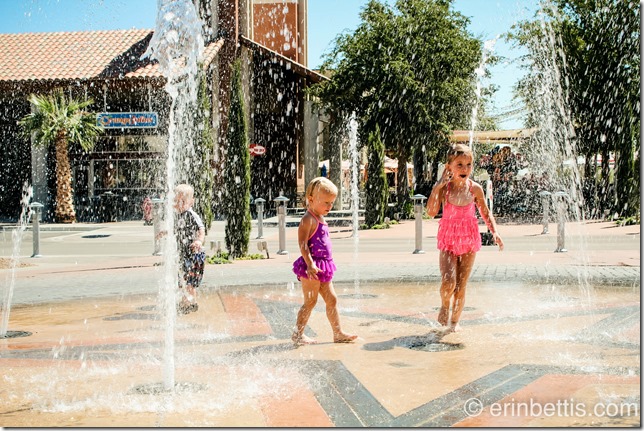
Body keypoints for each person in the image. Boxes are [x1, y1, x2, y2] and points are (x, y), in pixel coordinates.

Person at [426, 144, 504, 332]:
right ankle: (445, 304)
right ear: (449, 167)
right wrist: (437, 187)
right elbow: (431, 212)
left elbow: (485, 212)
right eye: (459, 164)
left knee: (460, 286)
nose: (465, 169)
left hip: (468, 239)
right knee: (448, 282)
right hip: (448, 239)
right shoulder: (445, 189)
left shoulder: (475, 189)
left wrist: (494, 231)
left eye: (468, 165)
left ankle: (454, 323)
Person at [292, 177, 358, 346]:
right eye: (326, 202)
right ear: (311, 199)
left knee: (332, 300)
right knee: (310, 301)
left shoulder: (320, 217)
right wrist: (310, 264)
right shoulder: (308, 219)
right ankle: (298, 334)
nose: (329, 206)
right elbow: (302, 244)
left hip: (323, 267)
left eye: (331, 203)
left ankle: (338, 333)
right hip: (311, 268)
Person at [157, 183, 206, 314]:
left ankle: (189, 302)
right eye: (176, 201)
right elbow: (175, 230)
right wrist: (165, 232)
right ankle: (189, 302)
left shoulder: (191, 214)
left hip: (195, 255)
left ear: (191, 202)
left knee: (189, 281)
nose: (179, 204)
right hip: (184, 254)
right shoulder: (177, 216)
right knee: (183, 280)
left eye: (183, 201)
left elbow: (201, 229)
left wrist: (199, 241)